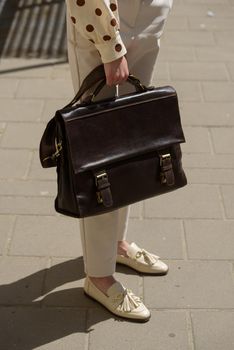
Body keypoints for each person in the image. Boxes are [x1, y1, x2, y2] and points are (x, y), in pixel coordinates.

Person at [65, 0, 173, 322]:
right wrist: (110, 45)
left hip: (151, 11)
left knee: (130, 138)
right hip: (102, 15)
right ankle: (98, 275)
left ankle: (116, 243)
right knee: (100, 149)